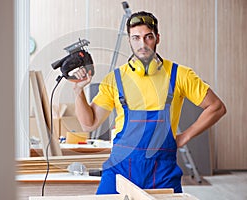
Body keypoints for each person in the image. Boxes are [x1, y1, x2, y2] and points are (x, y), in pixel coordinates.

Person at [72, 11, 226, 194]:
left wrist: (185, 136)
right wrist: (78, 90)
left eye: (148, 37)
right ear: (129, 40)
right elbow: (88, 124)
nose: (142, 44)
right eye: (136, 38)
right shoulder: (115, 79)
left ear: (157, 38)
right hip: (120, 169)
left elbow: (217, 107)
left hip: (162, 172)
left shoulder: (179, 75)